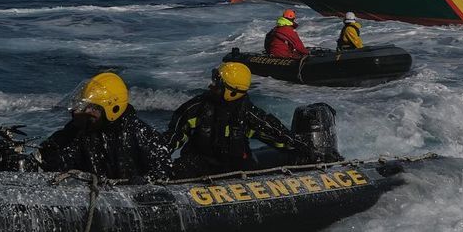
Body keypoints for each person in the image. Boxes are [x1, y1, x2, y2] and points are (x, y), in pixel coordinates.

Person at [166, 62, 312, 177]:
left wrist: (307, 150)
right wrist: (158, 156)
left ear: (232, 92)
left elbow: (276, 133)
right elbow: (173, 137)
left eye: (217, 83)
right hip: (199, 163)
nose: (211, 85)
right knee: (178, 170)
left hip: (236, 165)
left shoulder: (248, 113)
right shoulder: (195, 108)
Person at [38, 72, 172, 180]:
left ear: (113, 109)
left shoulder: (140, 133)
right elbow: (60, 158)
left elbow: (163, 169)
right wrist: (40, 158)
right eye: (85, 106)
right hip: (96, 196)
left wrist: (146, 180)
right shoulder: (81, 131)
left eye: (93, 108)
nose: (86, 112)